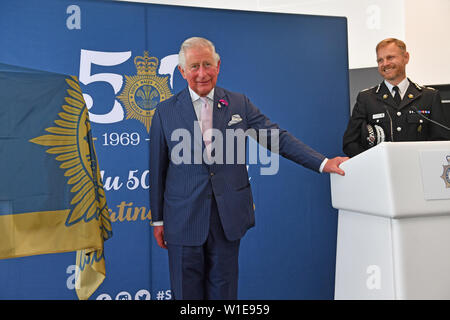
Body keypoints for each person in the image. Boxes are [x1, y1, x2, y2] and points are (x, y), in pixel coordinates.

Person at [149, 36, 348, 300]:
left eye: (207, 64)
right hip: (183, 220)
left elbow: (276, 137)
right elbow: (157, 169)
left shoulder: (238, 103)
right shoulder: (165, 112)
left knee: (224, 292)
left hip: (227, 218)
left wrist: (323, 163)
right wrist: (159, 220)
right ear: (182, 71)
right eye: (194, 66)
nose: (202, 73)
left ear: (218, 66)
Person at [343, 38, 450, 157]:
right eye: (380, 60)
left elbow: (442, 140)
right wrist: (374, 162)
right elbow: (350, 143)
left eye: (390, 57)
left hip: (418, 170)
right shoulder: (366, 98)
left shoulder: (429, 96)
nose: (385, 64)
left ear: (406, 57)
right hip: (382, 172)